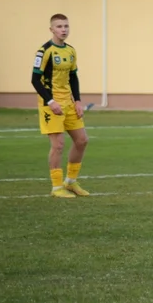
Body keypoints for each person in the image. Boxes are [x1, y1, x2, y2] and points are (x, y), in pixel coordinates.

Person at [31, 13, 89, 198]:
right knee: (58, 145)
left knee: (82, 140)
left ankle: (71, 182)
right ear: (51, 29)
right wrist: (50, 101)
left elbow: (73, 77)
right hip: (51, 103)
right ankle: (57, 188)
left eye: (66, 26)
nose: (63, 29)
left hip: (68, 102)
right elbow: (35, 80)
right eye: (59, 26)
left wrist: (78, 101)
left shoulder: (71, 50)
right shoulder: (44, 51)